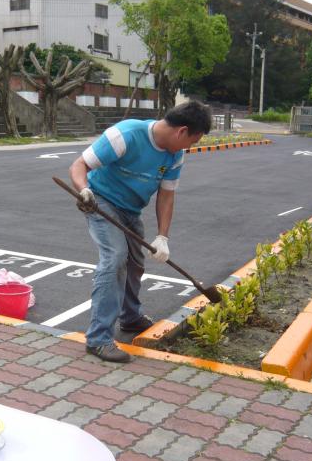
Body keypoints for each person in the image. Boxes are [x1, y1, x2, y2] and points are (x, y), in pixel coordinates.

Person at [69, 101, 212, 362]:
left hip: (131, 209)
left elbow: (166, 196)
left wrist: (162, 237)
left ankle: (131, 317)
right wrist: (83, 190)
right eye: (193, 140)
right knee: (115, 258)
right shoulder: (124, 135)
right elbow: (79, 166)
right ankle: (98, 339)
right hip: (100, 200)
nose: (191, 147)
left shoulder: (174, 154)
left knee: (135, 263)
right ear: (182, 131)